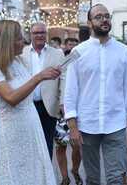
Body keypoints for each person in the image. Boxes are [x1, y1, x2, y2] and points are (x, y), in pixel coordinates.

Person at [64, 4, 127, 185]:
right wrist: (72, 126)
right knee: (93, 179)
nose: (104, 19)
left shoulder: (124, 51)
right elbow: (70, 90)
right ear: (89, 22)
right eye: (98, 17)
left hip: (116, 123)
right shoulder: (78, 52)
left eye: (107, 16)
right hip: (87, 124)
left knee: (116, 178)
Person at [0, 20, 59, 185]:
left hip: (31, 125)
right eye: (18, 38)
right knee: (17, 174)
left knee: (36, 173)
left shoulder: (18, 62)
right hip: (12, 131)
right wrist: (39, 77)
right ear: (6, 41)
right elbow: (11, 98)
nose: (22, 41)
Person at [21, 22, 65, 159]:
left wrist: (63, 102)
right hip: (27, 105)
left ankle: (47, 178)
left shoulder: (57, 54)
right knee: (28, 145)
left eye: (42, 32)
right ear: (30, 35)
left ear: (46, 34)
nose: (39, 35)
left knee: (47, 146)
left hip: (49, 107)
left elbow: (64, 79)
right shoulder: (21, 53)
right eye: (36, 33)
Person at [55, 37, 82, 185]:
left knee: (77, 145)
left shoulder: (81, 61)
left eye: (74, 44)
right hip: (61, 110)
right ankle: (65, 178)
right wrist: (59, 102)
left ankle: (75, 170)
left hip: (77, 110)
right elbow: (54, 83)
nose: (72, 47)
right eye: (69, 44)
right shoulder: (61, 63)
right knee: (60, 146)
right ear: (65, 46)